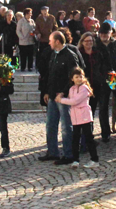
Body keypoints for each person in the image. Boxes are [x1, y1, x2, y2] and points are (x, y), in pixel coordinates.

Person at [38, 31, 80, 165]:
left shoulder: (70, 56)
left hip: (63, 97)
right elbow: (49, 75)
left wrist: (63, 92)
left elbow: (74, 77)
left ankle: (68, 154)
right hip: (52, 96)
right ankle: (52, 152)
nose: (49, 43)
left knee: (66, 126)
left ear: (57, 41)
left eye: (51, 40)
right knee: (51, 124)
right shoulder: (53, 55)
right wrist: (46, 92)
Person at [57, 67, 99, 168]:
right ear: (72, 79)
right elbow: (72, 101)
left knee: (89, 138)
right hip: (75, 118)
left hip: (84, 117)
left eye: (81, 77)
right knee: (75, 139)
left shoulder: (84, 88)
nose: (79, 79)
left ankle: (94, 159)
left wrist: (61, 100)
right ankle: (75, 159)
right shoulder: (72, 89)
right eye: (77, 77)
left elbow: (75, 101)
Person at [77, 33, 111, 142]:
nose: (89, 43)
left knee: (103, 109)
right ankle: (88, 136)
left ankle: (105, 133)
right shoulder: (80, 54)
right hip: (85, 87)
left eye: (91, 41)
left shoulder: (97, 53)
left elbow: (103, 67)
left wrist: (103, 77)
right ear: (82, 42)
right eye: (86, 41)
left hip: (99, 84)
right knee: (88, 111)